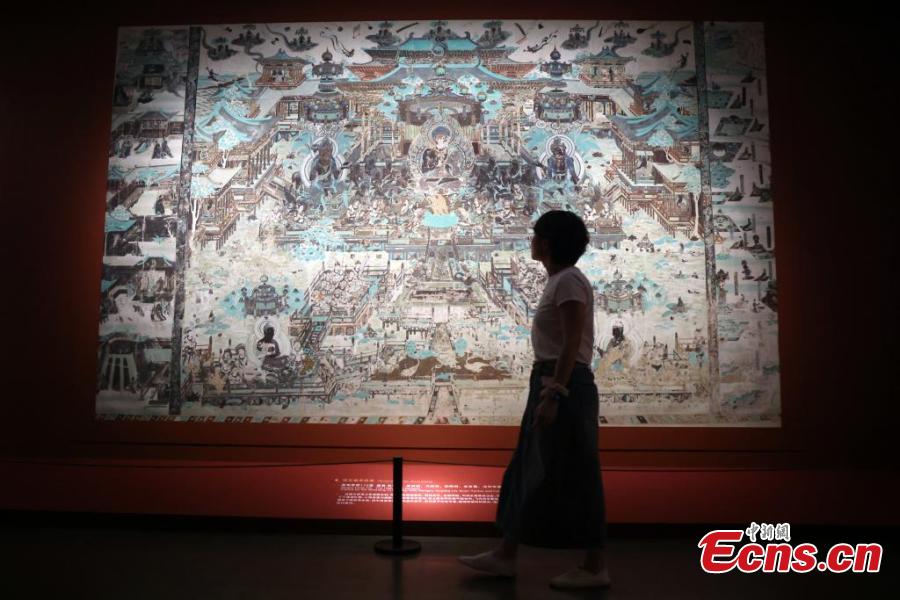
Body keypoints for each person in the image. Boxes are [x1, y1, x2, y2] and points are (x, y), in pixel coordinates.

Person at [458, 209, 610, 589]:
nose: (531, 241)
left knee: (578, 471)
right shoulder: (559, 280)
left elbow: (572, 342)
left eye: (536, 235)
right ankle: (505, 554)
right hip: (550, 380)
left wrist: (555, 392)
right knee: (528, 464)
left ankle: (594, 566)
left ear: (547, 243)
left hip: (564, 383)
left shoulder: (569, 280)